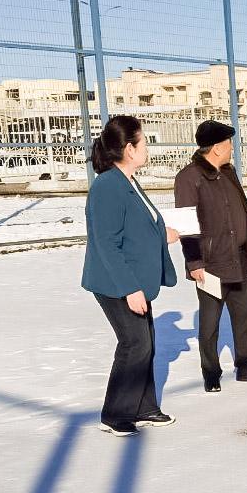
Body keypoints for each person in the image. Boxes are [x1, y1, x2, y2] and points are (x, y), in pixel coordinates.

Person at [81, 115, 179, 436]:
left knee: (146, 344)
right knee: (134, 343)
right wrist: (130, 289)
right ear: (129, 149)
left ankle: (144, 407)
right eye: (144, 141)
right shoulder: (108, 186)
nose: (147, 147)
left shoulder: (128, 181)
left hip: (134, 278)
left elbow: (135, 225)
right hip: (116, 282)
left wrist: (162, 234)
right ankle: (116, 414)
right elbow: (106, 243)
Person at [174, 121, 247, 392]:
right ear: (217, 147)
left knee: (245, 314)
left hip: (237, 257)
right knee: (210, 321)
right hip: (210, 263)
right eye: (229, 144)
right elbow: (185, 224)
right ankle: (211, 372)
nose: (232, 148)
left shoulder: (228, 172)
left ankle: (246, 366)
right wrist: (194, 262)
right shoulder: (189, 177)